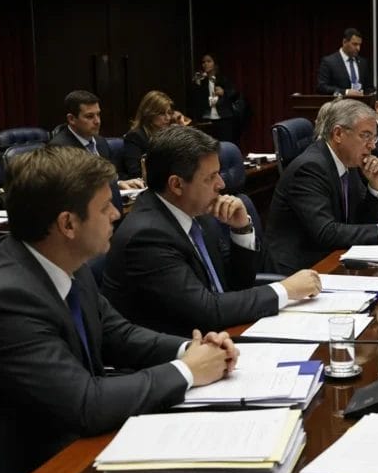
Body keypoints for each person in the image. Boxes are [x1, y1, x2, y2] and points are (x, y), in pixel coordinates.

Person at [0, 146, 239, 473]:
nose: (116, 213)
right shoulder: (3, 300)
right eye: (104, 207)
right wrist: (188, 370)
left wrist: (191, 349)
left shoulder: (64, 260)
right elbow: (85, 404)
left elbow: (117, 333)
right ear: (68, 224)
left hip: (60, 442)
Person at [102, 127, 322, 336]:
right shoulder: (147, 236)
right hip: (181, 348)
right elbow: (206, 311)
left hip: (221, 333)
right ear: (176, 185)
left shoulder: (197, 213)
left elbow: (236, 285)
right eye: (211, 177)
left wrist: (241, 229)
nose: (222, 184)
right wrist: (284, 290)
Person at [263, 98, 378, 274]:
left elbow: (362, 220)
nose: (372, 145)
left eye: (374, 137)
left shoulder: (347, 161)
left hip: (334, 256)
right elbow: (326, 232)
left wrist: (375, 185)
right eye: (365, 136)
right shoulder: (310, 168)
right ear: (338, 134)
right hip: (301, 269)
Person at [49, 90, 144, 189]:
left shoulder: (100, 142)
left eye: (98, 114)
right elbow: (70, 188)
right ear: (71, 119)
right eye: (89, 116)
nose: (97, 121)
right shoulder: (59, 149)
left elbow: (108, 177)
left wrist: (119, 183)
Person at [188, 53, 244, 143]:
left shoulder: (223, 79)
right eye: (203, 62)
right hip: (207, 119)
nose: (205, 64)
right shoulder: (201, 81)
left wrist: (224, 92)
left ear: (215, 64)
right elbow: (195, 101)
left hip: (224, 118)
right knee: (209, 145)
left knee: (226, 144)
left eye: (209, 61)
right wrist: (197, 85)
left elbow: (235, 94)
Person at [122, 90, 176, 179]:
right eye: (162, 113)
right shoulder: (135, 137)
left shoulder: (169, 135)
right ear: (149, 113)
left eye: (169, 113)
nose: (168, 118)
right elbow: (135, 173)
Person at [317, 28, 374, 96]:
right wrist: (345, 92)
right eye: (355, 44)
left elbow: (369, 87)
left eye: (359, 45)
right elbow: (322, 87)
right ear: (344, 42)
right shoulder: (329, 62)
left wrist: (370, 93)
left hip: (360, 102)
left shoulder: (363, 63)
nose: (358, 48)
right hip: (340, 101)